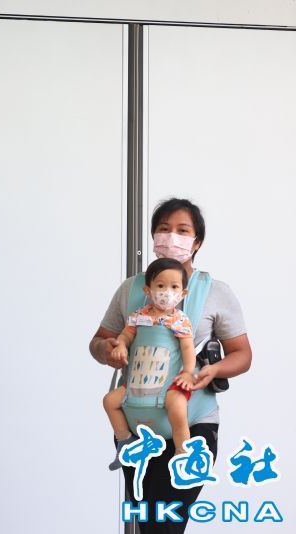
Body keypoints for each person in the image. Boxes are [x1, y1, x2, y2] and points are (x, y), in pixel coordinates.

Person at [90, 198, 252, 534]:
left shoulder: (216, 292)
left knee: (164, 526)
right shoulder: (131, 290)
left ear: (197, 242)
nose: (171, 237)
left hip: (192, 424)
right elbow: (100, 341)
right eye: (164, 229)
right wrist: (108, 349)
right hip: (137, 425)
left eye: (182, 230)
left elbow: (242, 354)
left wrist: (212, 370)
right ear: (154, 236)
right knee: (147, 522)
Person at [104, 258, 196, 470]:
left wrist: (188, 373)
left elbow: (188, 349)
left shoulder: (180, 320)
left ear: (183, 293)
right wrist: (120, 346)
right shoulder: (138, 316)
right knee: (109, 401)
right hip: (138, 381)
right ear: (148, 290)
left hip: (168, 384)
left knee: (178, 408)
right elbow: (125, 336)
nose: (167, 292)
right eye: (160, 286)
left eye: (174, 287)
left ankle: (183, 452)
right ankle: (124, 441)